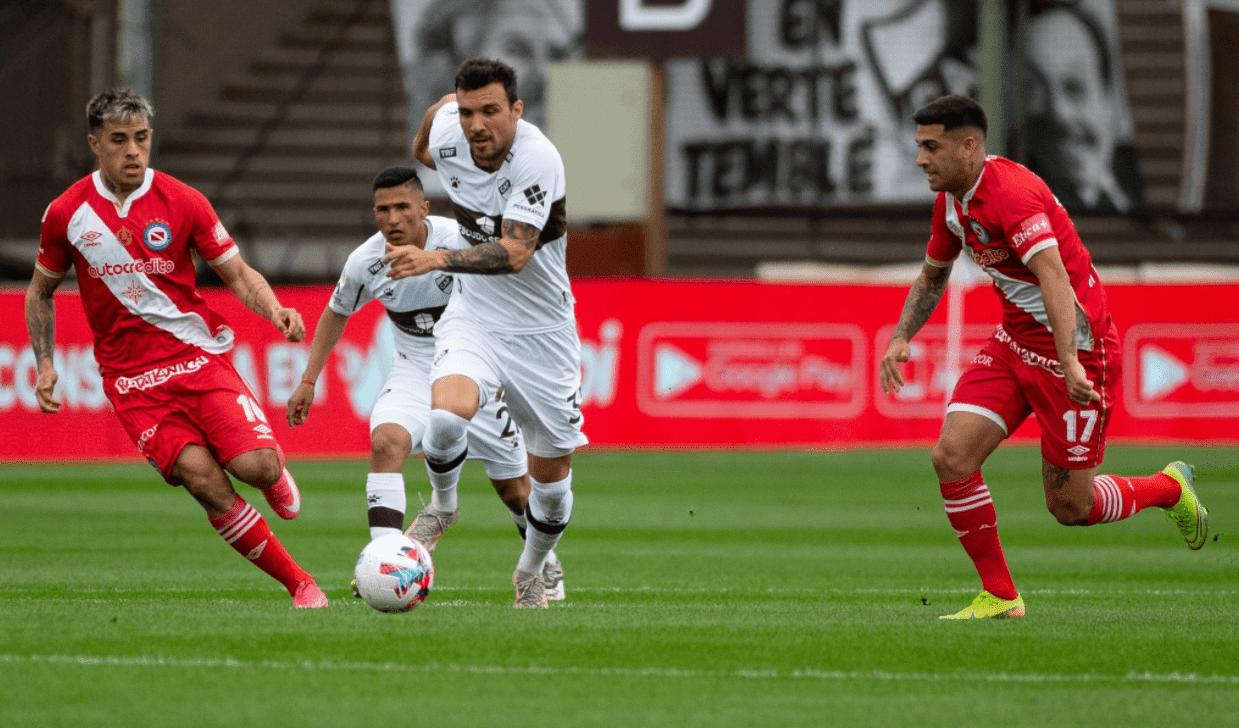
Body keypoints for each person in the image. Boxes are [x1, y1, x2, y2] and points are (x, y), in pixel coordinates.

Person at [879, 94, 1208, 620]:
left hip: (1078, 353)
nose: (920, 158)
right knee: (951, 457)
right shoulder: (951, 204)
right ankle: (1002, 596)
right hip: (1013, 346)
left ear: (969, 146)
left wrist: (1072, 361)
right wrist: (901, 336)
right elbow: (933, 275)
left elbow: (1053, 275)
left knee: (1071, 508)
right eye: (918, 146)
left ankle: (1169, 488)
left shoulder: (1012, 195)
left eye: (931, 146)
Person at [25, 88, 327, 608]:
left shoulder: (184, 200)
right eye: (119, 141)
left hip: (196, 358)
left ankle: (273, 472)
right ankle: (300, 582)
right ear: (95, 143)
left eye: (142, 139)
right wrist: (46, 363)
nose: (134, 152)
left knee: (255, 469)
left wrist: (275, 310)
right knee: (205, 482)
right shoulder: (67, 213)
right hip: (133, 384)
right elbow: (40, 290)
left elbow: (236, 273)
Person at [285, 165, 564, 600]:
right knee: (386, 443)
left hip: (476, 366)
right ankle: (383, 564)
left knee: (514, 491)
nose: (392, 219)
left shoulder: (459, 241)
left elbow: (512, 285)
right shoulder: (366, 261)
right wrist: (308, 379)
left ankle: (544, 562)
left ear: (424, 208)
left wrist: (511, 362)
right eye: (382, 210)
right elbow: (336, 311)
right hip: (415, 365)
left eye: (402, 208)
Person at [383, 57, 585, 608]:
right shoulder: (449, 130)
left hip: (543, 331)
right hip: (475, 315)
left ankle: (532, 568)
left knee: (550, 480)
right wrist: (437, 114)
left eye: (491, 111)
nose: (477, 125)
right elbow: (422, 148)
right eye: (468, 110)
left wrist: (434, 259)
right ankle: (443, 506)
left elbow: (517, 254)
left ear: (516, 111)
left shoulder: (536, 159)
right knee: (446, 417)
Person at [1024, 2, 1145, 212]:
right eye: (1034, 90)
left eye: (1075, 87)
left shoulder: (1140, 169)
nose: (1059, 112)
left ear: (1108, 97)